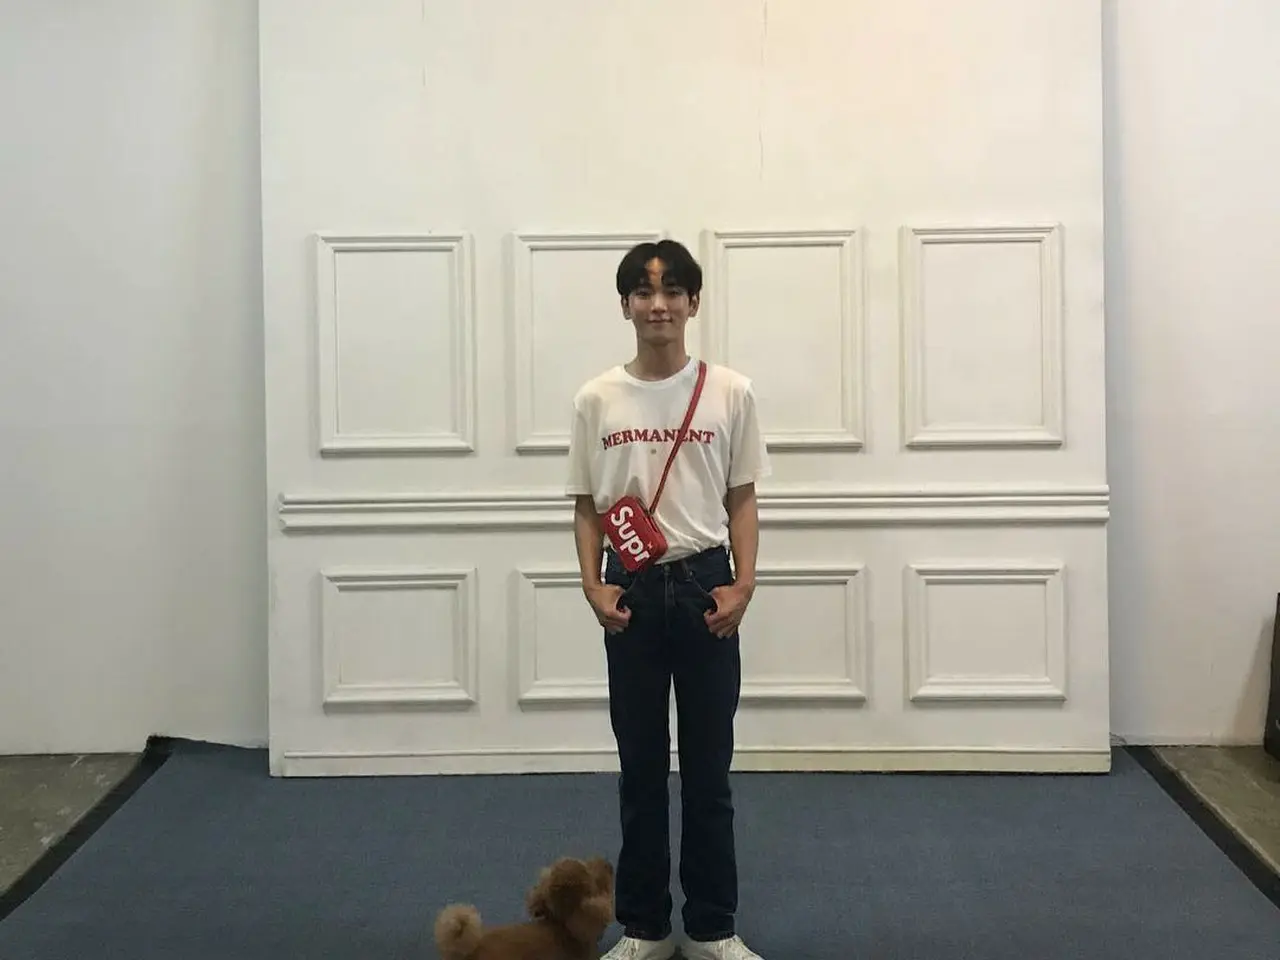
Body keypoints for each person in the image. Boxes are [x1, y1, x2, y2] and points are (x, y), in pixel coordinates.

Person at [564, 239, 771, 960]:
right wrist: (592, 583)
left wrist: (743, 582)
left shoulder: (729, 392)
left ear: (693, 303)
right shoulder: (597, 398)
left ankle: (713, 928)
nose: (659, 304)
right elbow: (587, 503)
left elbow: (742, 496)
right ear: (625, 305)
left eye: (673, 290)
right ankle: (644, 928)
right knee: (642, 772)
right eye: (645, 292)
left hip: (705, 585)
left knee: (709, 774)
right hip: (633, 593)